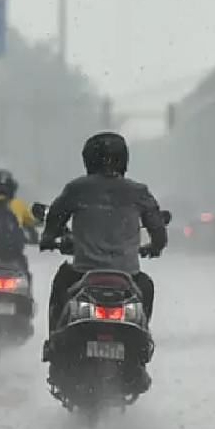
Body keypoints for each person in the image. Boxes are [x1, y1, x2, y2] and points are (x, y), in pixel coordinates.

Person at [39, 132, 167, 357]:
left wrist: (49, 239)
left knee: (61, 283)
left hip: (81, 273)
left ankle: (54, 345)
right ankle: (142, 348)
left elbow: (54, 219)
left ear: (88, 159)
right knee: (147, 286)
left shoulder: (76, 189)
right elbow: (158, 230)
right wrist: (155, 246)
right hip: (128, 275)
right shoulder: (139, 192)